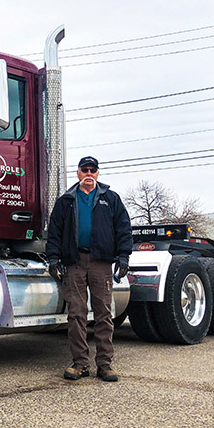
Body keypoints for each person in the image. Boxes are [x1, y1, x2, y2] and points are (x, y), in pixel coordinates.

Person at [46, 156, 133, 382]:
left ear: (97, 173)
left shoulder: (110, 199)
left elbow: (123, 228)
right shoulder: (66, 201)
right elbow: (54, 232)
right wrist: (54, 258)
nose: (89, 174)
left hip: (101, 263)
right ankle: (80, 363)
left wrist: (124, 256)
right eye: (84, 170)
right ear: (77, 173)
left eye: (93, 170)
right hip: (74, 262)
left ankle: (105, 364)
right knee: (76, 314)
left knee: (104, 313)